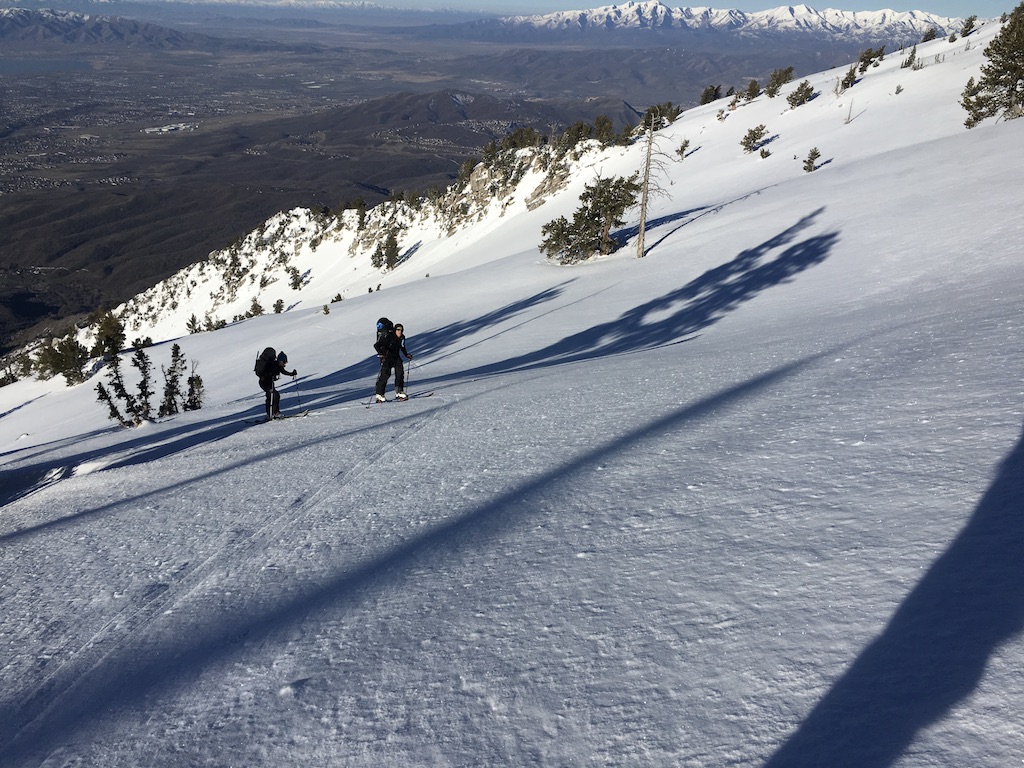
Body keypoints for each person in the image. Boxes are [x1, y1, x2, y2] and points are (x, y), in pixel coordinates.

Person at [373, 322, 413, 402]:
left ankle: (399, 391)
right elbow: (376, 345)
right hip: (386, 358)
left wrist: (406, 355)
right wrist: (381, 354)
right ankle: (379, 394)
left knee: (400, 373)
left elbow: (402, 347)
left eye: (401, 330)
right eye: (398, 330)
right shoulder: (389, 337)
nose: (399, 332)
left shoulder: (402, 337)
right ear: (395, 330)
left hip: (396, 357)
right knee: (385, 375)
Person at [256, 348, 297, 418]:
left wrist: (292, 374)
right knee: (272, 395)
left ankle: (273, 413)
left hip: (269, 382)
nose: (285, 364)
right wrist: (269, 374)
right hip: (264, 382)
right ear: (281, 361)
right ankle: (273, 413)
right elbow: (265, 372)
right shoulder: (272, 364)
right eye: (284, 362)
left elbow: (284, 372)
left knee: (275, 395)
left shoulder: (278, 365)